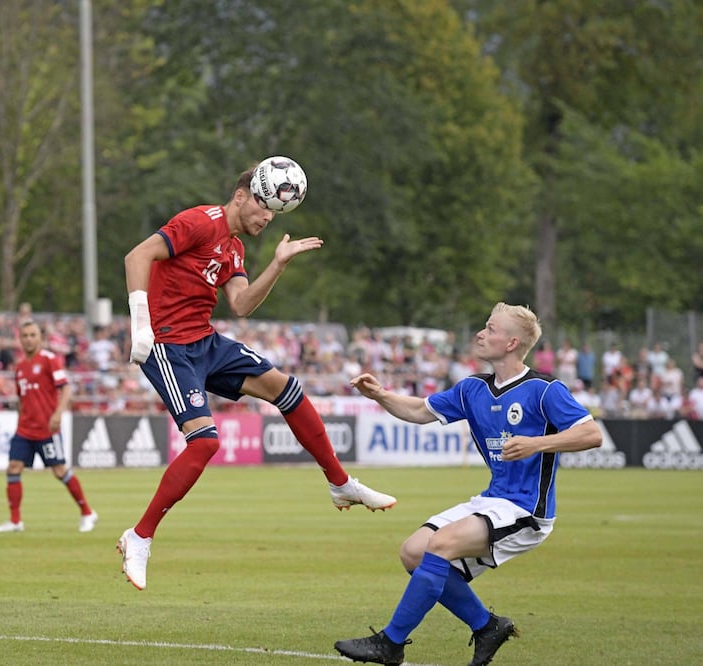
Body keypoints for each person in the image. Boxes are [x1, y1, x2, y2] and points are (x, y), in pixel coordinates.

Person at [116, 161, 395, 591]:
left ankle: (340, 484)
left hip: (204, 341)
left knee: (289, 390)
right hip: (168, 345)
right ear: (242, 195)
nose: (267, 218)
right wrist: (141, 326)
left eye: (274, 213)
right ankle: (140, 536)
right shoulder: (201, 221)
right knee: (206, 441)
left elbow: (242, 304)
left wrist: (279, 264)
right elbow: (137, 256)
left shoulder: (234, 248)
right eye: (263, 207)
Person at [333, 303, 601, 666]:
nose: (481, 333)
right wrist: (381, 395)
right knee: (413, 552)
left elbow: (591, 433)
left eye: (491, 328)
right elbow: (417, 411)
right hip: (493, 500)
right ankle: (487, 626)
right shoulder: (473, 388)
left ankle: (390, 643)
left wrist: (537, 443)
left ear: (512, 342)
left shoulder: (544, 389)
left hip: (527, 509)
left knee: (440, 545)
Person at [0, 319, 98, 533]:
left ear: (40, 338)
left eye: (33, 335)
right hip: (24, 430)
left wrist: (58, 414)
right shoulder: (20, 367)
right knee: (13, 468)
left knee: (59, 471)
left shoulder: (49, 360)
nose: (29, 339)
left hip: (47, 429)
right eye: (25, 336)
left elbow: (66, 389)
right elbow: (21, 400)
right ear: (19, 339)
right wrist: (19, 422)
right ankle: (15, 521)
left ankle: (87, 512)